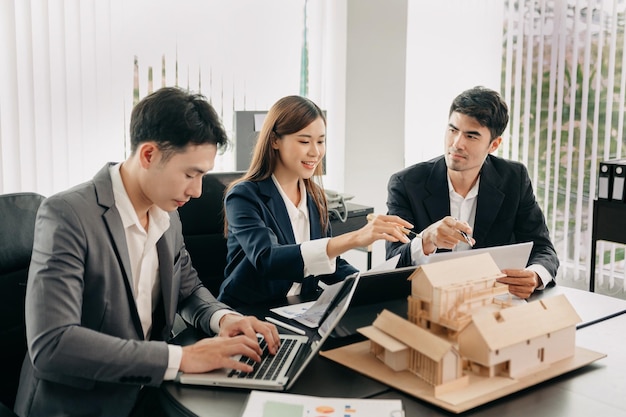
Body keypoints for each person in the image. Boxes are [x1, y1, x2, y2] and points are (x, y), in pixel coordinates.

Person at [14, 87, 280, 417]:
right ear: (149, 155)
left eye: (202, 176)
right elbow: (53, 344)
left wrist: (224, 319)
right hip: (76, 407)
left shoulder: (167, 215)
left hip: (149, 397)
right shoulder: (67, 216)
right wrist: (182, 358)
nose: (197, 191)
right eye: (189, 174)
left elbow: (189, 289)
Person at [218, 95, 412, 307]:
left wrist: (373, 285)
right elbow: (268, 259)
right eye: (304, 141)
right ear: (274, 140)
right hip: (248, 312)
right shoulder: (243, 195)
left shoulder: (316, 196)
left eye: (321, 141)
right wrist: (355, 237)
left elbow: (328, 265)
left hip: (299, 308)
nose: (316, 152)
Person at [386, 86, 559, 299]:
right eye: (453, 130)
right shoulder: (407, 183)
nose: (457, 144)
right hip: (426, 302)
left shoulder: (514, 179)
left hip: (491, 302)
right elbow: (392, 261)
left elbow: (543, 249)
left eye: (471, 136)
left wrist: (535, 276)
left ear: (494, 144)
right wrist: (425, 240)